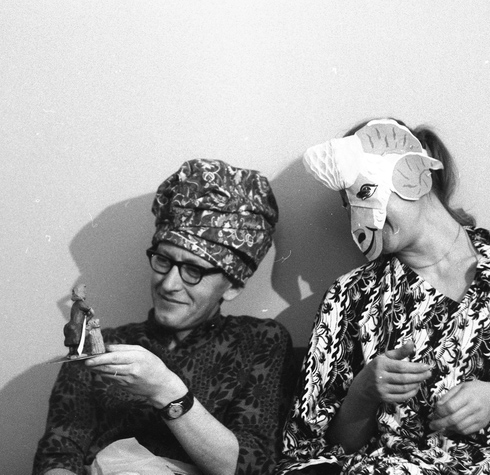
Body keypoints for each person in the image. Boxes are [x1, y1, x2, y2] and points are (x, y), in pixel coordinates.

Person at [276, 119, 490, 474]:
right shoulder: (350, 299)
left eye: (365, 192)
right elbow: (319, 449)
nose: (359, 217)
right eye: (348, 204)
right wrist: (363, 392)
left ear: (416, 176)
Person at [34, 159, 295, 475]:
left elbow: (253, 468)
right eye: (163, 260)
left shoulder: (260, 342)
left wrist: (165, 390)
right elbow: (58, 455)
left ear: (233, 286)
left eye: (193, 270)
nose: (168, 284)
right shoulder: (102, 346)